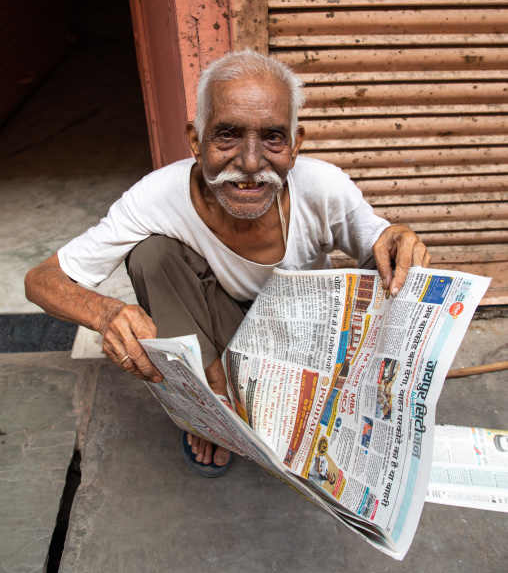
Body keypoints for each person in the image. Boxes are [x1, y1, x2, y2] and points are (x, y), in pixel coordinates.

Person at [25, 49, 431, 476]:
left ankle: (264, 405)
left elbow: (381, 246)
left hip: (302, 340)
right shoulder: (157, 195)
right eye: (227, 136)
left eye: (273, 137)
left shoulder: (324, 187)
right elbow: (41, 280)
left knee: (390, 276)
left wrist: (399, 242)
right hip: (219, 329)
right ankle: (211, 401)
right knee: (151, 254)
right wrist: (105, 313)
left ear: (296, 145)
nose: (251, 164)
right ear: (196, 141)